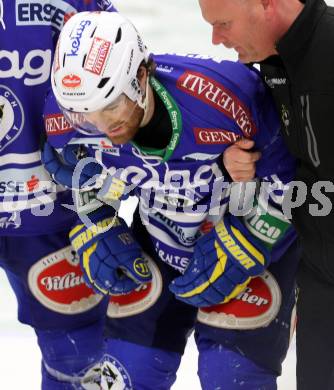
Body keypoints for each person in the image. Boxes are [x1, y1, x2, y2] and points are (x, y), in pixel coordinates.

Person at [41, 10, 301, 390]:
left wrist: (251, 239)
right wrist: (95, 223)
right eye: (86, 116)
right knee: (125, 378)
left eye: (111, 106)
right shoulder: (68, 118)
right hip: (161, 240)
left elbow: (295, 179)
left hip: (244, 242)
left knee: (232, 378)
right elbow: (81, 173)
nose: (102, 127)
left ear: (142, 75)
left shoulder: (230, 97)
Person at [198, 0, 334, 389]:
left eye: (223, 24)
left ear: (267, 4)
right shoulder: (272, 64)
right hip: (320, 276)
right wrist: (230, 161)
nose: (216, 39)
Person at [0, 1, 121, 388]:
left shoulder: (76, 6)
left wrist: (101, 198)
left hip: (52, 211)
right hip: (51, 210)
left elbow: (122, 82)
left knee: (76, 362)